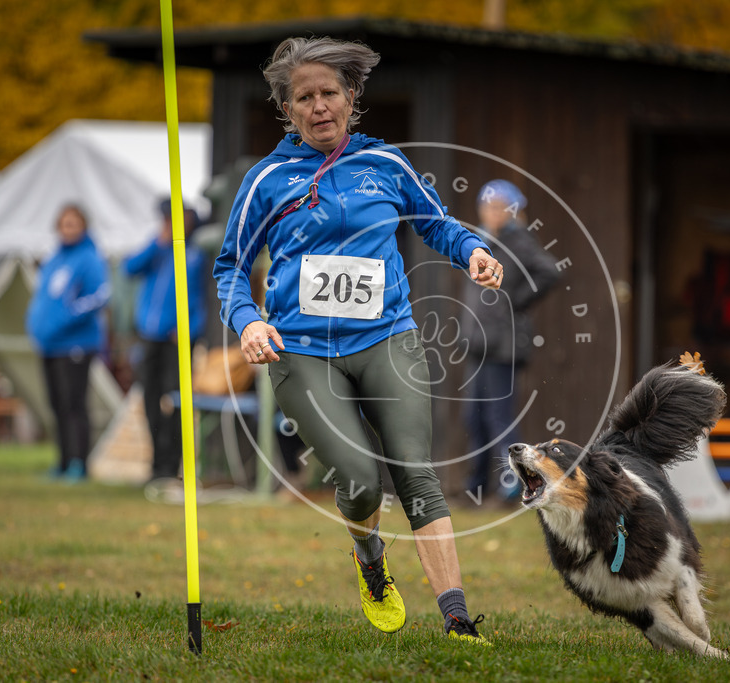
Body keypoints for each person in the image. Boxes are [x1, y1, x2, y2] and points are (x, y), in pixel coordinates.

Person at [214, 36, 504, 643]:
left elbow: (437, 226)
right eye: (304, 98)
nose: (319, 106)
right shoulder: (267, 178)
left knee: (417, 473)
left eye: (329, 93)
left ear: (352, 98)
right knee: (359, 478)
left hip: (386, 338)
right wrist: (249, 321)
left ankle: (457, 619)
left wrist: (474, 250)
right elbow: (232, 267)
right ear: (287, 110)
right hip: (302, 351)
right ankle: (370, 559)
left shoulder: (386, 164)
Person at [460, 180, 562, 504]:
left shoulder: (518, 240)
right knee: (474, 418)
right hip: (480, 344)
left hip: (503, 346)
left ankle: (516, 487)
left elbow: (550, 272)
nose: (491, 212)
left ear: (512, 210)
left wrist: (514, 301)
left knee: (498, 419)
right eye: (486, 206)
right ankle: (476, 488)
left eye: (498, 206)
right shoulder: (483, 241)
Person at [25, 204, 110, 482]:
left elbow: (98, 296)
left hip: (76, 344)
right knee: (57, 404)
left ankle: (79, 464)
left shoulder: (89, 258)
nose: (68, 229)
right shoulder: (54, 259)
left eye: (73, 223)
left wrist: (65, 318)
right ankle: (62, 462)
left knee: (75, 404)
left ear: (83, 226)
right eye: (64, 224)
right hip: (49, 345)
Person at [124, 200, 207, 481]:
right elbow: (129, 268)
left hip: (178, 340)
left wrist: (188, 330)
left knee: (176, 402)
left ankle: (174, 466)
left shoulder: (196, 255)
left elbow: (202, 298)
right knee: (149, 399)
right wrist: (158, 242)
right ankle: (157, 465)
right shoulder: (157, 249)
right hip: (149, 337)